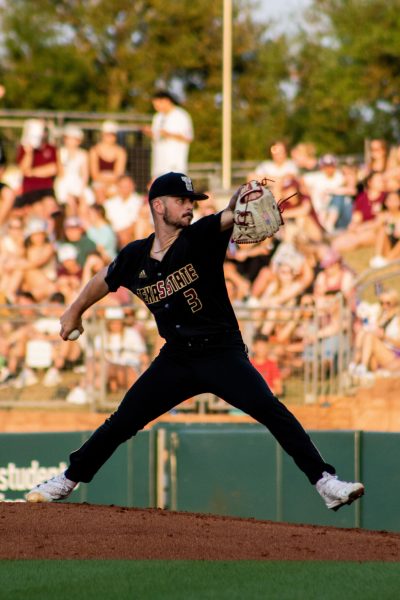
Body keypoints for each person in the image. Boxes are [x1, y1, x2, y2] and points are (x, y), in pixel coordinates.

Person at [26, 171, 364, 511]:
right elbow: (105, 277)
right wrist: (74, 311)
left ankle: (324, 481)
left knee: (270, 410)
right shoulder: (135, 256)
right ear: (158, 206)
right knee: (122, 422)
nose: (189, 207)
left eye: (192, 201)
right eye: (181, 200)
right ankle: (67, 480)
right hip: (176, 359)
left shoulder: (200, 236)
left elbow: (227, 217)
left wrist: (238, 202)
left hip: (221, 352)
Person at [143, 91, 194, 178]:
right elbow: (156, 137)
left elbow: (188, 138)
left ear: (167, 101)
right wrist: (150, 133)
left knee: (174, 188)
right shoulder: (157, 117)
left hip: (175, 162)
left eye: (158, 104)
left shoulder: (181, 115)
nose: (156, 107)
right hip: (159, 162)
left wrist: (168, 134)